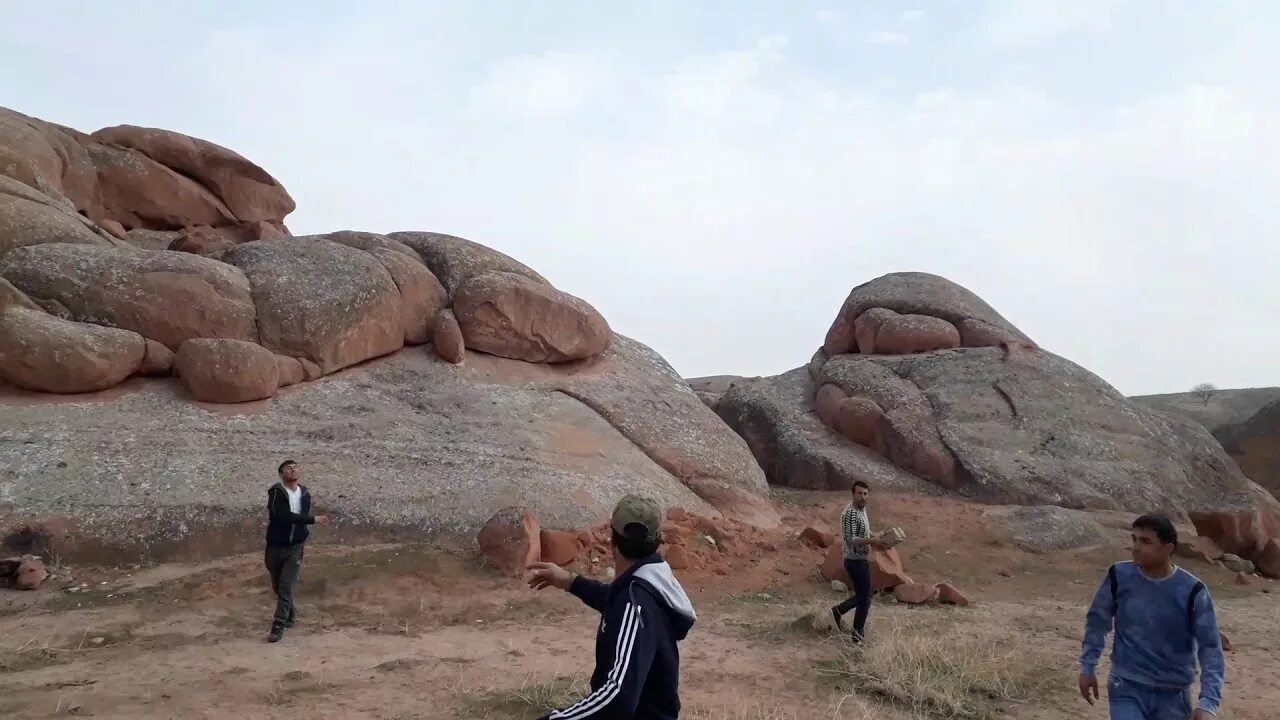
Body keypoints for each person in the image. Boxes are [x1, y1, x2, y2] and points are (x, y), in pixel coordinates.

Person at [526, 494, 696, 720]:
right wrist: (570, 581)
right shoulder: (653, 584)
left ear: (612, 539)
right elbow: (615, 599)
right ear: (657, 540)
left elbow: (617, 698)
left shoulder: (635, 604)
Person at [1078, 514, 1225, 719]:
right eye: (1134, 539)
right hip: (1126, 686)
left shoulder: (1193, 591)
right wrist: (1087, 667)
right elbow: (1097, 623)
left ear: (1168, 549)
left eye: (1145, 541)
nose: (1136, 547)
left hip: (1173, 694)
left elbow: (1210, 648)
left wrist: (1209, 702)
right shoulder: (1119, 576)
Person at [265, 459, 328, 643]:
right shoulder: (276, 493)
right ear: (281, 473)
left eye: (295, 467)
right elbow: (282, 516)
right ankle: (290, 615)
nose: (293, 470)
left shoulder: (305, 493)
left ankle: (278, 624)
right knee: (278, 586)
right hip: (275, 546)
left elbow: (300, 518)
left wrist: (304, 530)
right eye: (288, 468)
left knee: (286, 585)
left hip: (295, 547)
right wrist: (311, 520)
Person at [830, 480, 884, 643]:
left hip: (861, 558)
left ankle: (840, 615)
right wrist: (871, 541)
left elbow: (864, 531)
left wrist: (875, 535)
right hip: (854, 559)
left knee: (864, 596)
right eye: (859, 493)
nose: (863, 497)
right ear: (853, 494)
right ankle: (856, 635)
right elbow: (851, 539)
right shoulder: (851, 512)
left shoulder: (862, 510)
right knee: (865, 597)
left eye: (866, 493)